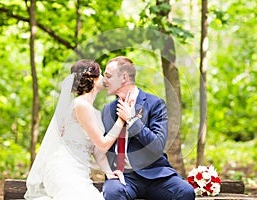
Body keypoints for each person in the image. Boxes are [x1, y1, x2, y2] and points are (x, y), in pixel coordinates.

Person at [24, 59, 126, 200]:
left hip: (80, 172)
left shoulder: (94, 112)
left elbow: (97, 149)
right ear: (93, 79)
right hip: (63, 169)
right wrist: (121, 120)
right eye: (101, 74)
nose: (103, 78)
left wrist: (109, 172)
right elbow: (103, 143)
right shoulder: (80, 105)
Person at [102, 56, 195, 200]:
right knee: (113, 193)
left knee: (185, 192)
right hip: (123, 177)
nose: (104, 80)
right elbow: (103, 148)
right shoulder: (107, 109)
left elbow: (157, 146)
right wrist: (110, 171)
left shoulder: (155, 104)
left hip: (155, 175)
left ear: (124, 77)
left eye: (108, 76)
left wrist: (132, 120)